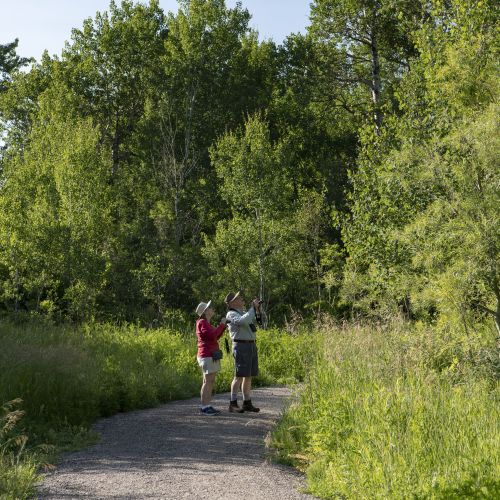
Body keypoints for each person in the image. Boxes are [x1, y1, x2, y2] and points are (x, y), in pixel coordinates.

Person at [224, 291, 261, 413]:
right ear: (232, 303)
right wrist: (252, 308)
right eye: (238, 298)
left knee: (248, 375)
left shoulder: (243, 313)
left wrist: (256, 310)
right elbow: (243, 322)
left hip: (250, 346)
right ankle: (233, 403)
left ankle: (247, 402)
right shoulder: (231, 314)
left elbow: (255, 322)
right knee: (239, 376)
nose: (241, 299)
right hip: (240, 346)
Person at [195, 300, 226, 416]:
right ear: (206, 311)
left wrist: (222, 328)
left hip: (208, 355)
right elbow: (212, 335)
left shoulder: (206, 323)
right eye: (210, 308)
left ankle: (206, 405)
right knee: (208, 381)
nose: (212, 309)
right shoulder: (202, 322)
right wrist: (222, 325)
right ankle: (204, 407)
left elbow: (215, 336)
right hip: (207, 355)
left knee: (209, 381)